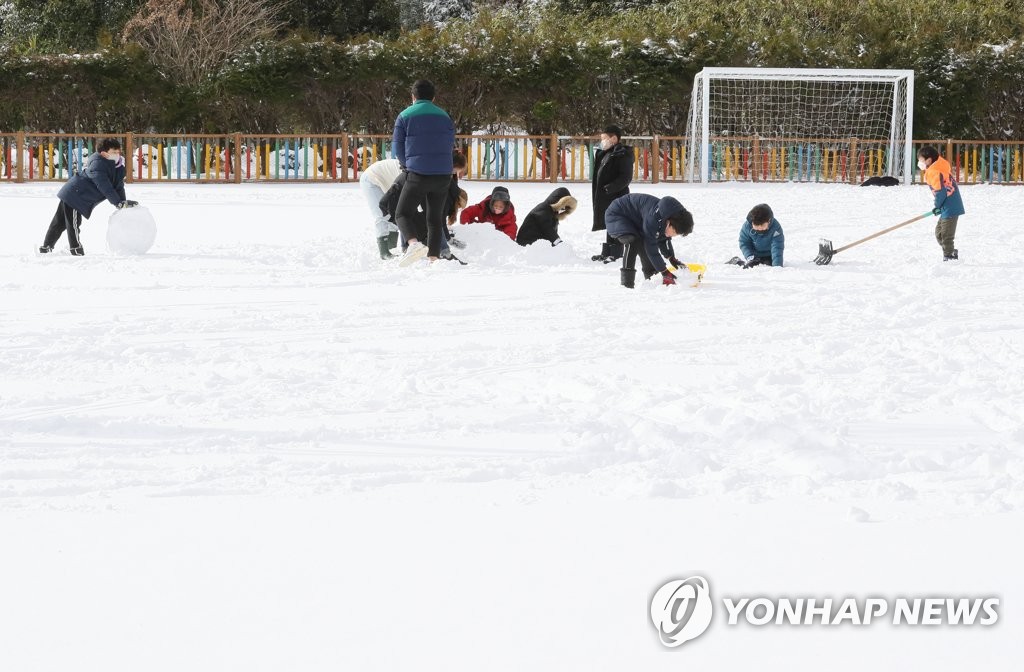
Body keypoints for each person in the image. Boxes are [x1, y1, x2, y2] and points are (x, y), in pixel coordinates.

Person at [392, 79, 457, 266]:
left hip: (418, 174)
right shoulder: (445, 116)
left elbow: (397, 148)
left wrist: (408, 166)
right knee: (435, 219)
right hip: (443, 175)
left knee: (402, 214)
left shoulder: (404, 115)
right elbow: (449, 143)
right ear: (434, 97)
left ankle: (413, 244)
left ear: (413, 97)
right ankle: (434, 259)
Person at [39, 138, 137, 256]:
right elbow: (104, 186)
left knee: (59, 223)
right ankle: (76, 250)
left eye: (118, 152)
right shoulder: (98, 165)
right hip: (75, 194)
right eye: (114, 152)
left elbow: (118, 186)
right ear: (104, 153)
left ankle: (45, 248)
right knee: (73, 223)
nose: (117, 155)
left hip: (78, 194)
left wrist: (122, 202)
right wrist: (117, 203)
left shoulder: (118, 167)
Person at [605, 193, 694, 288]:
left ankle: (651, 277)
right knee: (633, 241)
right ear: (669, 223)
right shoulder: (653, 218)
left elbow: (663, 239)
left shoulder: (666, 216)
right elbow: (651, 247)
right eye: (675, 232)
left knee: (644, 240)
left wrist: (671, 258)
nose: (674, 236)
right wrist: (664, 272)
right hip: (617, 214)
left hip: (635, 220)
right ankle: (627, 284)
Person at [590, 124, 634, 263]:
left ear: (614, 138)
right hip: (604, 196)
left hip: (616, 196)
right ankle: (607, 252)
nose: (602, 141)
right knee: (608, 222)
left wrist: (609, 188)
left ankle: (616, 252)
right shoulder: (605, 153)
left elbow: (625, 177)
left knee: (617, 223)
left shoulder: (623, 154)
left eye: (604, 138)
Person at [918, 145, 965, 261]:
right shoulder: (935, 168)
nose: (919, 163)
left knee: (946, 236)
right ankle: (951, 251)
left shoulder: (935, 171)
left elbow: (940, 192)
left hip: (950, 206)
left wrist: (936, 206)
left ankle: (949, 257)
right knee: (939, 233)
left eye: (921, 160)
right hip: (946, 206)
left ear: (929, 160)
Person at [359, 157, 402, 259]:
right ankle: (384, 252)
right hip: (371, 180)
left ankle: (392, 248)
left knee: (395, 213)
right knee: (382, 215)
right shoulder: (406, 172)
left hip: (387, 182)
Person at [728, 203, 784, 268]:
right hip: (754, 255)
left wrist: (777, 266)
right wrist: (750, 256)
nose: (760, 228)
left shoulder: (775, 228)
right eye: (756, 226)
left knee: (767, 265)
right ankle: (737, 261)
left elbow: (777, 247)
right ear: (752, 222)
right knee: (749, 267)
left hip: (769, 255)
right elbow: (744, 242)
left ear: (769, 221)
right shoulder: (747, 226)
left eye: (762, 225)